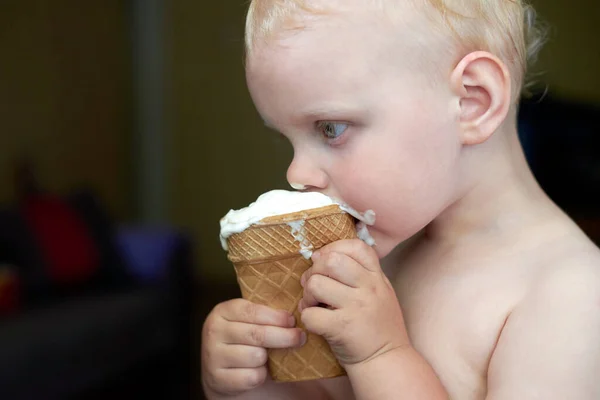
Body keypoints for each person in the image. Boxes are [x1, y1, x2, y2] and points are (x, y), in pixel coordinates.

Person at [201, 0, 600, 398]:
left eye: (330, 128)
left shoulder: (570, 295)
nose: (296, 174)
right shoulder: (373, 251)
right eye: (286, 138)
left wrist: (380, 357)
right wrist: (250, 382)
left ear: (471, 102)